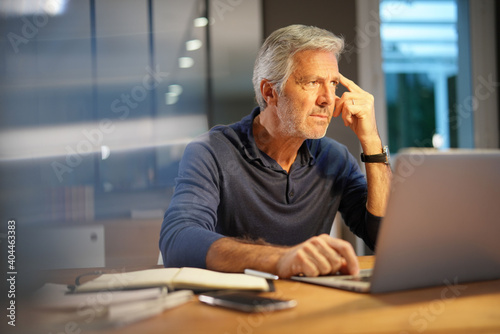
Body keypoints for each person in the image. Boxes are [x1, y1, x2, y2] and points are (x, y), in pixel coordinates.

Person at [159, 24, 391, 278]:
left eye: (333, 84)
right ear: (270, 92)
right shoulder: (211, 152)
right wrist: (280, 259)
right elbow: (178, 240)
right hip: (232, 307)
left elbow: (386, 239)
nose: (327, 99)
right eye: (313, 82)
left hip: (308, 303)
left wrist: (371, 142)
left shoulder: (335, 158)